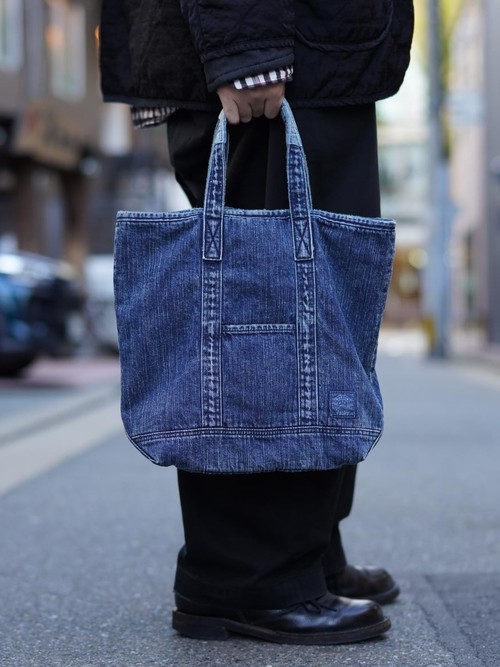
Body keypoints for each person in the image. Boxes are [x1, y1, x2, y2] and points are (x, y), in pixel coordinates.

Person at [100, 0, 414, 645]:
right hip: (273, 49)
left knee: (320, 313)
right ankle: (248, 575)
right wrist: (244, 48)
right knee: (272, 310)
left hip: (308, 53)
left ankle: (305, 547)